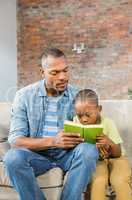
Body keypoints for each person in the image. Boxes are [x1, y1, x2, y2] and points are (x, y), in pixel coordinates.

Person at [3, 48, 99, 200]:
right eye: (55, 73)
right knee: (12, 158)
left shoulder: (78, 95)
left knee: (89, 151)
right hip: (36, 156)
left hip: (68, 155)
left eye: (66, 71)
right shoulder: (24, 96)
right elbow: (15, 140)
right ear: (42, 72)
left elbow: (92, 128)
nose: (63, 77)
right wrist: (53, 141)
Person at [73, 89, 132, 200]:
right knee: (98, 181)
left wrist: (109, 142)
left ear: (99, 109)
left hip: (116, 158)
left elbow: (118, 153)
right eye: (79, 115)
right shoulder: (76, 122)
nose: (84, 119)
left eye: (88, 114)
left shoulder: (108, 123)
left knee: (119, 180)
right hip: (96, 160)